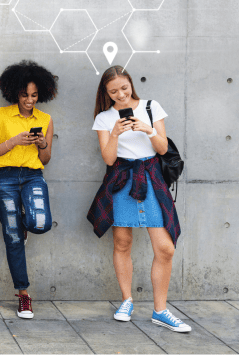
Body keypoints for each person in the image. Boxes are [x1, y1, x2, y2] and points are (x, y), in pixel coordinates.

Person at [87, 66, 190, 333]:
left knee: (165, 248)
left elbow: (164, 148)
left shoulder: (151, 107)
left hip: (152, 177)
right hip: (121, 178)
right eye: (113, 92)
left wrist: (147, 129)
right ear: (106, 93)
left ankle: (160, 310)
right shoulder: (104, 117)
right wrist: (115, 133)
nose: (120, 95)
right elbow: (109, 159)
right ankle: (126, 301)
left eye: (124, 88)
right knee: (122, 242)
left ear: (131, 84)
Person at [0, 60, 56, 319]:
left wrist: (42, 143)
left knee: (41, 223)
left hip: (33, 176)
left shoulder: (45, 119)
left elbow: (45, 159)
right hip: (4, 178)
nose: (29, 100)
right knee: (13, 236)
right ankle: (23, 295)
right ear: (16, 93)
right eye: (25, 95)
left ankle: (25, 224)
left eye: (34, 95)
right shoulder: (1, 115)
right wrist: (13, 142)